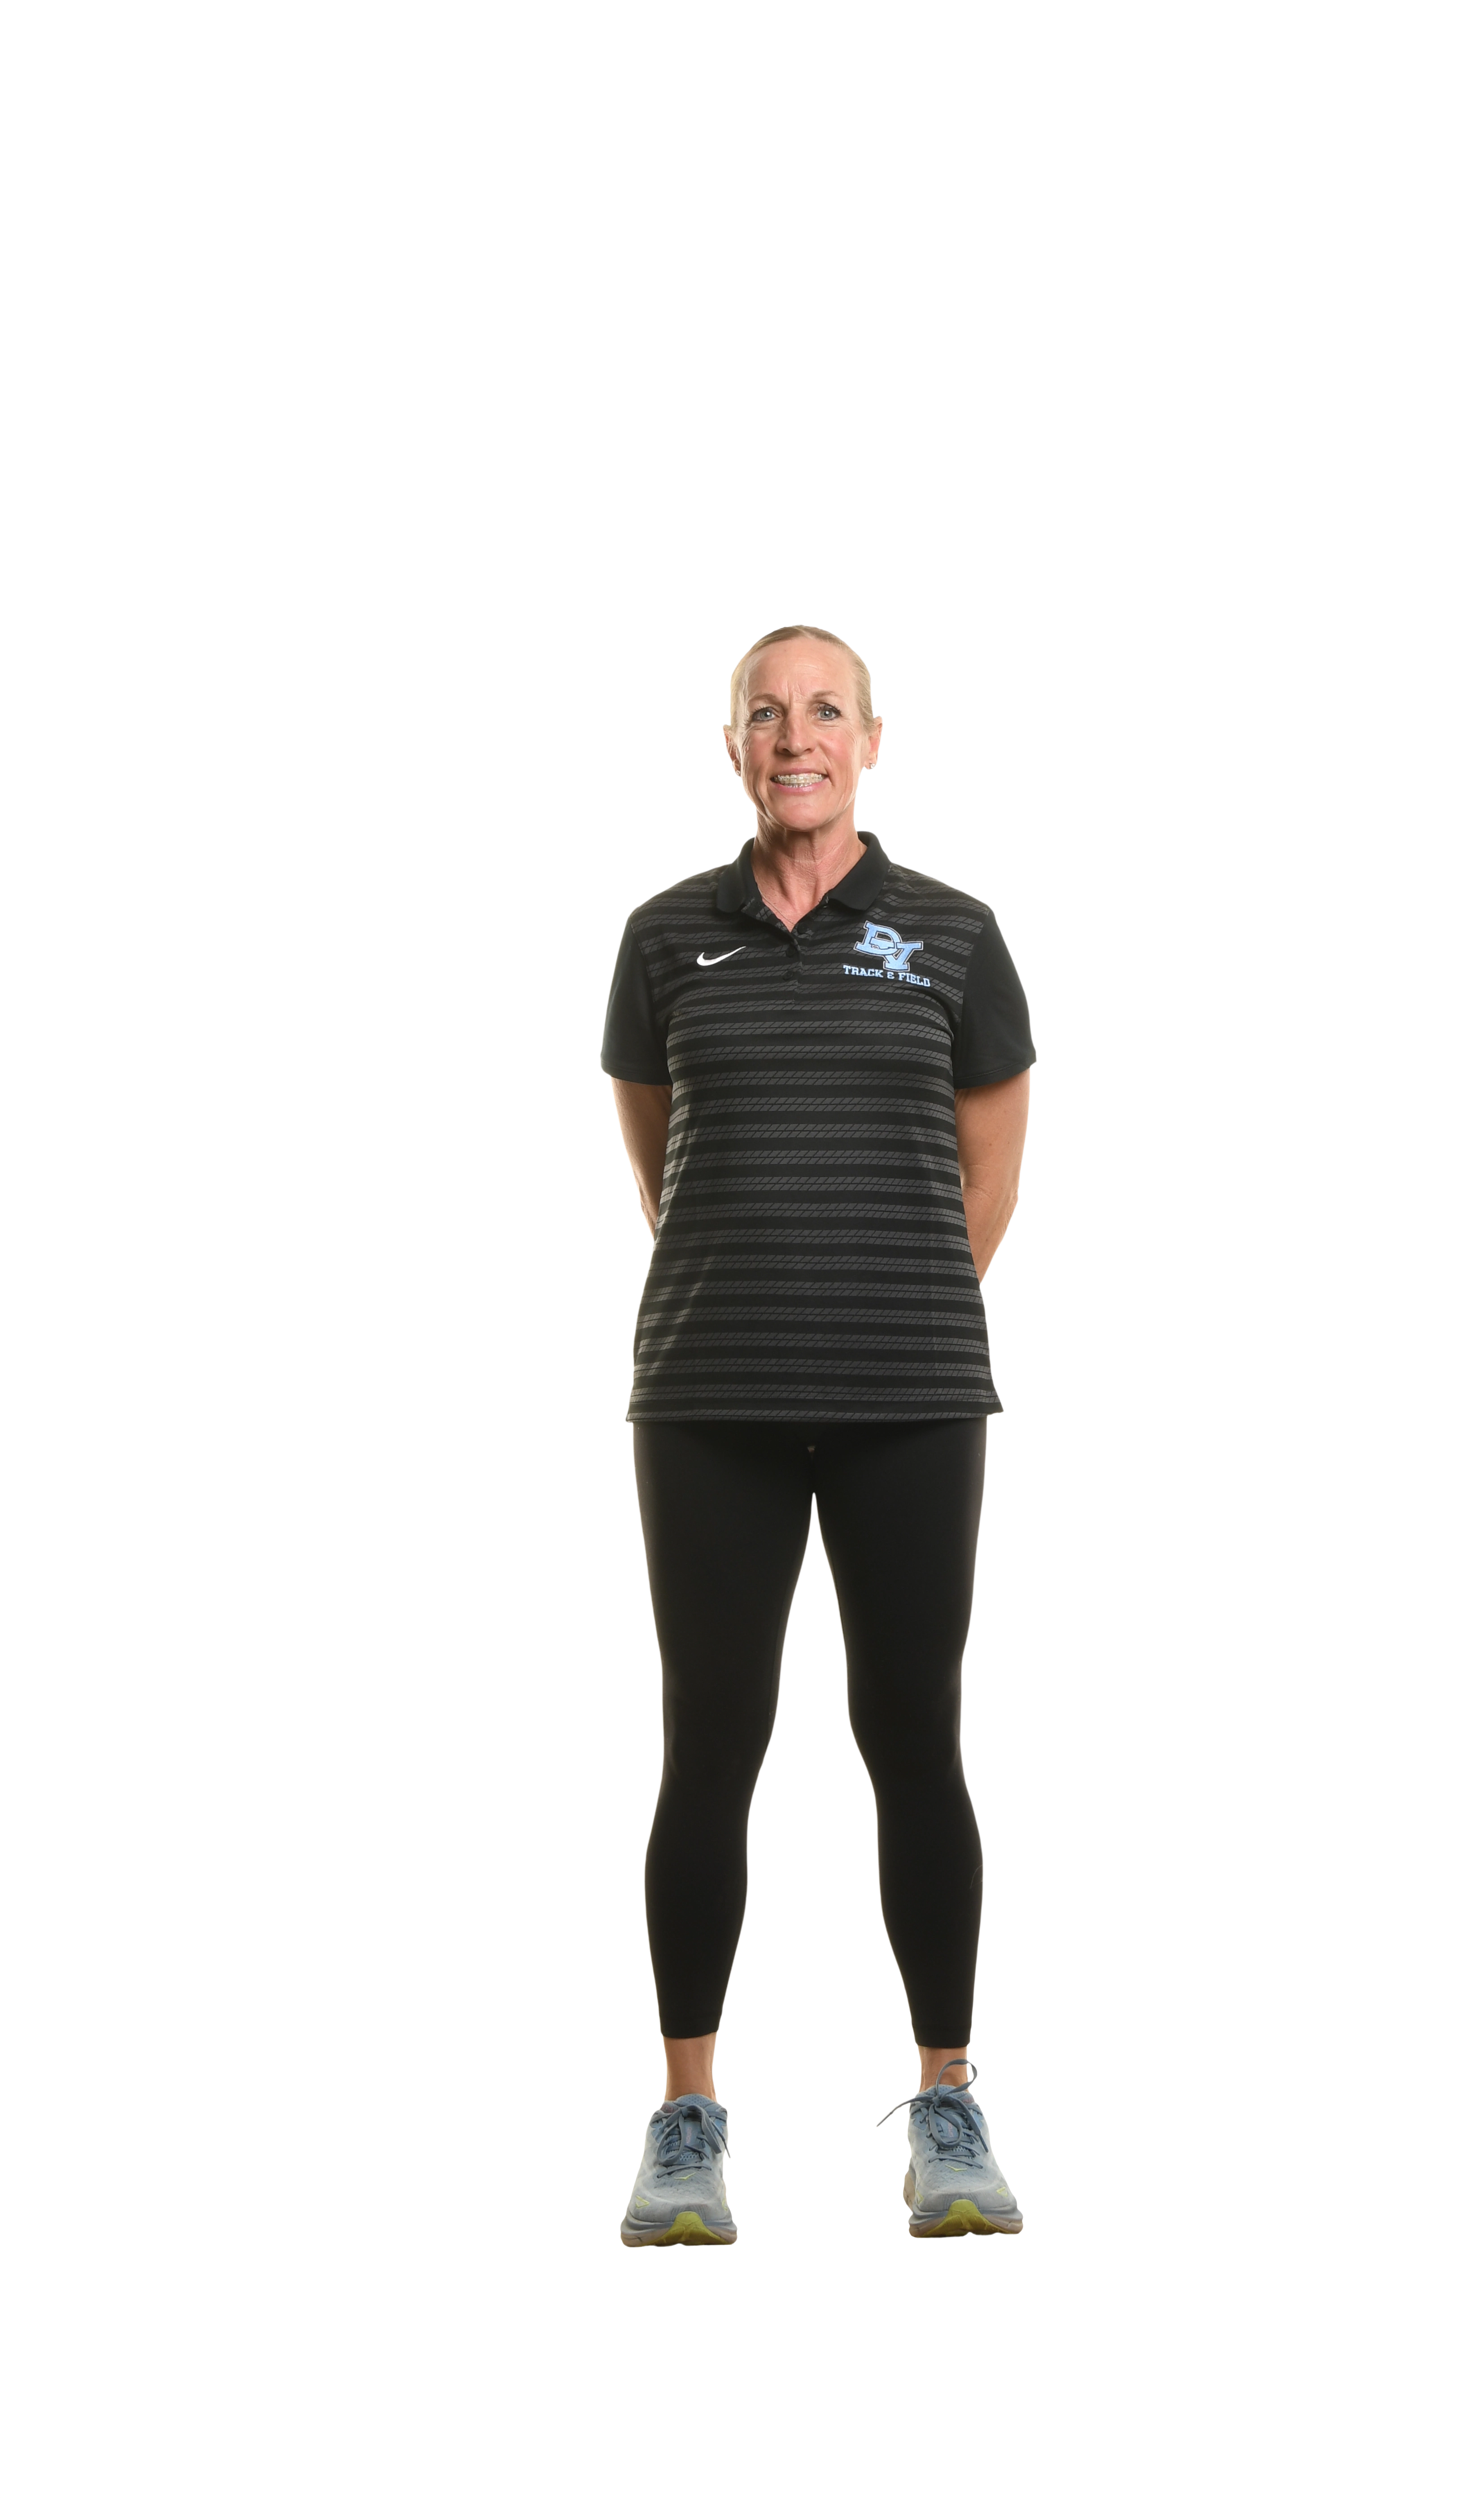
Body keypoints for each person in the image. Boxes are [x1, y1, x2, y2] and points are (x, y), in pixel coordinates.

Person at [603, 624, 1034, 2243]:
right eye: (767, 713)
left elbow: (987, 1181)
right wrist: (765, 1291)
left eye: (827, 710)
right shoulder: (663, 939)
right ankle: (689, 2120)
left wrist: (877, 1304)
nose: (798, 737)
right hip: (707, 1399)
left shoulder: (956, 936)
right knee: (710, 1742)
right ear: (734, 746)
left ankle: (946, 2104)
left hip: (910, 1398)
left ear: (871, 741)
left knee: (911, 1735)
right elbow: (666, 1164)